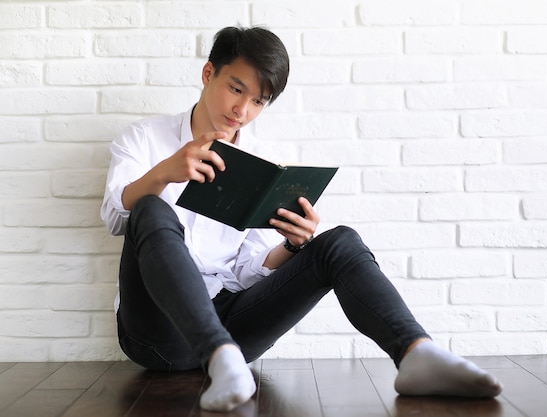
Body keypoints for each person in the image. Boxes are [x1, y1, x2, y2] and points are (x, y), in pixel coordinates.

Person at [101, 26, 502, 412]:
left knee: (338, 240)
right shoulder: (143, 138)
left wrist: (292, 246)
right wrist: (164, 173)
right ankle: (218, 357)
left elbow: (245, 273)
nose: (242, 110)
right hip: (159, 331)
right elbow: (117, 218)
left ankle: (416, 353)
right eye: (235, 89)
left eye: (258, 101)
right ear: (209, 74)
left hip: (233, 324)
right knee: (150, 207)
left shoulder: (261, 163)